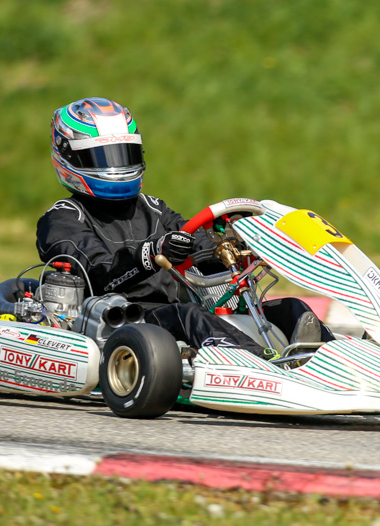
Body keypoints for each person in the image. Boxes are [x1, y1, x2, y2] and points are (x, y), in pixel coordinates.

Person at [35, 97, 332, 358]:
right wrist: (150, 254)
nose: (116, 167)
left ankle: (333, 357)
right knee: (189, 314)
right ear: (70, 157)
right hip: (121, 322)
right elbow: (99, 270)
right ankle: (259, 364)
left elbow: (202, 252)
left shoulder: (154, 209)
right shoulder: (63, 218)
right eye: (102, 158)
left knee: (291, 308)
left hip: (178, 318)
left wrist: (240, 247)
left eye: (124, 155)